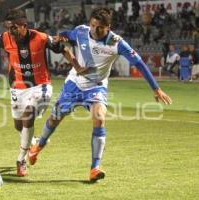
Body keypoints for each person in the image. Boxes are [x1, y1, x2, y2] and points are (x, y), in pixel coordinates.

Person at [28, 8, 172, 183]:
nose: (95, 30)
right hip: (74, 84)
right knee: (54, 119)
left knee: (99, 118)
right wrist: (60, 36)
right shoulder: (81, 31)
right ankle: (38, 145)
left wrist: (156, 88)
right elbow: (67, 34)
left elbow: (139, 63)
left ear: (108, 27)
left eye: (100, 27)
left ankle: (94, 168)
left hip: (96, 87)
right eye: (93, 25)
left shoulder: (117, 43)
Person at [0, 9, 82, 177]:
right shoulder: (5, 38)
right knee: (19, 125)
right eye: (8, 28)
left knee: (28, 115)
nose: (10, 31)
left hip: (41, 86)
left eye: (14, 28)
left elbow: (63, 48)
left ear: (24, 26)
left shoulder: (41, 38)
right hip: (17, 87)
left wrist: (77, 66)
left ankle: (21, 159)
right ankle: (34, 141)